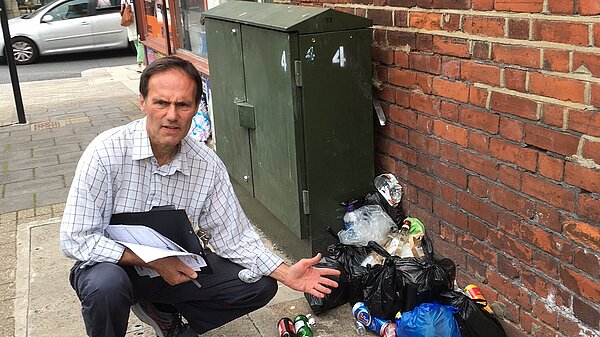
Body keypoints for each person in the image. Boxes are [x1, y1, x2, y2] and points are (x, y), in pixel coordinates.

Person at [60, 56, 340, 337]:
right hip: (114, 265)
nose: (172, 115)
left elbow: (233, 237)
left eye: (182, 104)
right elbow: (76, 238)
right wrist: (154, 261)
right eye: (161, 103)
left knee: (260, 285)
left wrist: (286, 273)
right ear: (142, 103)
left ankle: (170, 323)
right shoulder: (106, 152)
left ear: (196, 108)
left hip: (177, 266)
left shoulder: (206, 165)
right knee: (105, 286)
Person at [121, 0, 145, 72]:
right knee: (140, 41)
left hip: (129, 20)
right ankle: (140, 63)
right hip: (136, 19)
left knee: (136, 41)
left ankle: (140, 63)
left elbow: (122, 8)